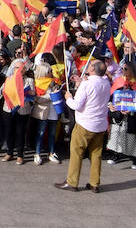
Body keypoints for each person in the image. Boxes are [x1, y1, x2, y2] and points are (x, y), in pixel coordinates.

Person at [55, 58, 111, 192]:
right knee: (96, 154)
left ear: (92, 69)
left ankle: (72, 182)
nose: (88, 65)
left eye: (90, 65)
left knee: (76, 152)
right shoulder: (106, 83)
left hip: (85, 124)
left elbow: (76, 105)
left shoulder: (87, 85)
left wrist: (68, 97)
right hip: (100, 124)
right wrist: (81, 82)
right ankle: (94, 183)